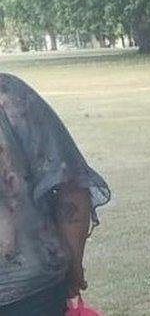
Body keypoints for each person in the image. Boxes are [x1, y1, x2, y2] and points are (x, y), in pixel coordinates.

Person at [0, 73, 110, 315]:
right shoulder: (8, 96)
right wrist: (73, 266)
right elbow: (71, 187)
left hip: (31, 294)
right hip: (34, 293)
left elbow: (69, 186)